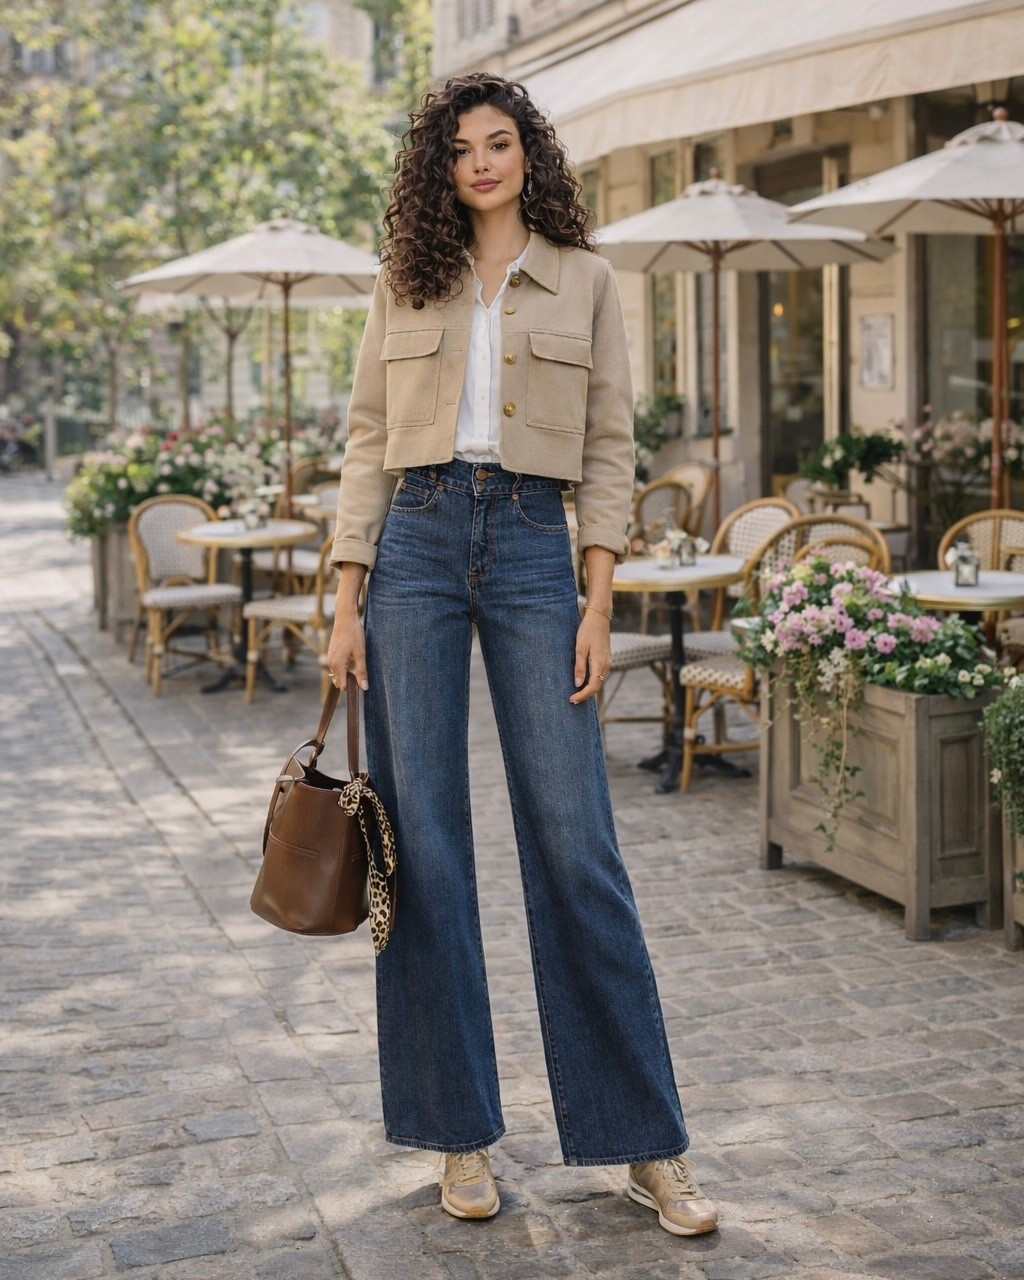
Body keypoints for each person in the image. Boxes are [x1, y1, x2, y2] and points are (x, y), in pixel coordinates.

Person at [327, 72, 718, 1238]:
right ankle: (458, 1130)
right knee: (427, 843)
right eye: (461, 148)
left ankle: (646, 1141)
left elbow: (608, 445)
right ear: (438, 170)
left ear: (528, 155)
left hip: (541, 553)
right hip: (415, 547)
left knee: (576, 844)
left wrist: (599, 597)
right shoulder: (406, 279)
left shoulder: (588, 279)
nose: (482, 162)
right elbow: (362, 441)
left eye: (500, 143)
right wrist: (345, 598)